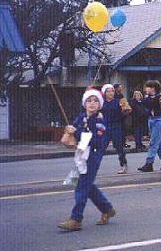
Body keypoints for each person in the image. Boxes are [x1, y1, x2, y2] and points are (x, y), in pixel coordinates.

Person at [58, 89, 116, 231]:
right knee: (87, 186)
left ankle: (76, 219)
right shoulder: (81, 117)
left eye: (95, 101)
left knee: (81, 187)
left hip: (93, 157)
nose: (92, 103)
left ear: (99, 104)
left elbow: (96, 140)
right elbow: (74, 131)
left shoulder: (100, 120)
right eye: (89, 100)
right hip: (80, 156)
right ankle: (107, 209)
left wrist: (76, 132)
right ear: (84, 103)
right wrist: (69, 129)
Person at [138, 80, 161, 172]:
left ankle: (149, 163)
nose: (146, 89)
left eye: (148, 87)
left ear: (153, 88)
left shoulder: (160, 97)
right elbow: (144, 104)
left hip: (159, 119)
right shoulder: (147, 98)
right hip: (150, 120)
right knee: (157, 142)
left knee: (153, 142)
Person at [101, 84, 131, 174]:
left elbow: (124, 114)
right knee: (101, 146)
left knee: (119, 147)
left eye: (112, 91)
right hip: (105, 127)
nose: (111, 93)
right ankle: (93, 165)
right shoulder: (102, 103)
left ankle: (124, 165)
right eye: (108, 91)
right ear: (105, 93)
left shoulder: (118, 101)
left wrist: (125, 111)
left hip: (116, 126)